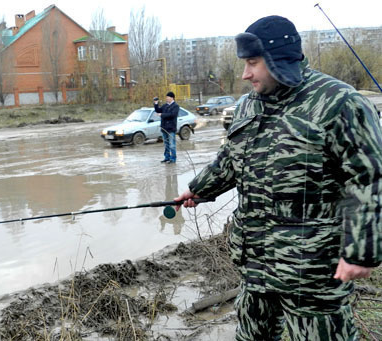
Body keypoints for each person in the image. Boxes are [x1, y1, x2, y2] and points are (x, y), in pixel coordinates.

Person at [175, 15, 382, 340]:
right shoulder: (247, 106)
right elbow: (231, 159)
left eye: (253, 63)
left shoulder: (339, 103)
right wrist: (198, 189)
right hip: (254, 262)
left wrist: (361, 250)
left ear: (279, 59)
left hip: (312, 269)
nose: (245, 74)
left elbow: (368, 178)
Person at [154, 91, 179, 164]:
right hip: (164, 128)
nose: (166, 98)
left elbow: (172, 115)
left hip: (171, 129)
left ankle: (173, 159)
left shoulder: (175, 106)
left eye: (168, 97)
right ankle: (166, 157)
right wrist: (156, 103)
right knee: (166, 144)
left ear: (172, 98)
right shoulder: (165, 105)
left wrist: (162, 114)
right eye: (166, 97)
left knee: (172, 145)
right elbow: (158, 110)